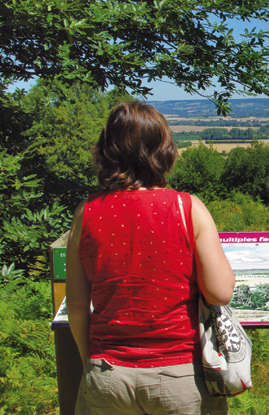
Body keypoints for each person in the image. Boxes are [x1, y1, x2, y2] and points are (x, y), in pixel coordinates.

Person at [66, 100, 235, 415]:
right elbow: (220, 291)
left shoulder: (86, 213)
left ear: (106, 152)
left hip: (107, 373)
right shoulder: (188, 208)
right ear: (163, 151)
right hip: (180, 374)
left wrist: (92, 358)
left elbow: (76, 304)